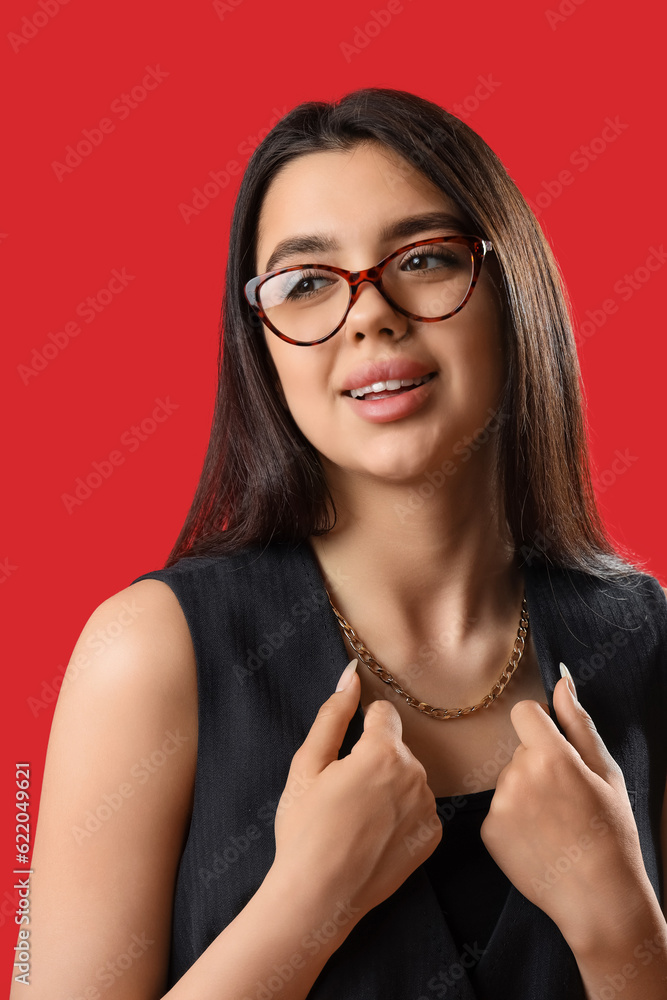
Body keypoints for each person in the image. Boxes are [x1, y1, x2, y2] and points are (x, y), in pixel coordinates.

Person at [11, 88, 667, 1000]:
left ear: (511, 286)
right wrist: (303, 910)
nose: (370, 314)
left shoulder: (645, 641)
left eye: (425, 259)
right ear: (262, 345)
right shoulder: (148, 653)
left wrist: (619, 927)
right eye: (306, 283)